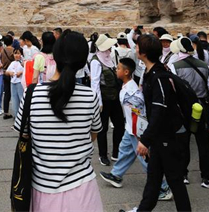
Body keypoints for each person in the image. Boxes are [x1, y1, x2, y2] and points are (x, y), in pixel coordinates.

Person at [13, 31, 103, 212]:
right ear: (82, 61)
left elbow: (24, 135)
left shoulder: (31, 94)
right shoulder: (89, 96)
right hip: (83, 188)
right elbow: (93, 134)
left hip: (42, 189)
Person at [99, 57, 173, 202]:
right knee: (124, 150)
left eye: (118, 68)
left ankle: (163, 187)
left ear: (126, 72)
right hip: (130, 128)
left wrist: (141, 136)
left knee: (145, 159)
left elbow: (139, 114)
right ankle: (116, 175)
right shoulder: (128, 87)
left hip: (136, 129)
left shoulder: (132, 92)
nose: (116, 70)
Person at [133, 34, 192, 212]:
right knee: (153, 179)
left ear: (143, 53)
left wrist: (145, 139)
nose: (135, 49)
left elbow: (159, 110)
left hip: (169, 136)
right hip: (162, 137)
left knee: (174, 180)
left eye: (137, 47)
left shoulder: (159, 77)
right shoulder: (153, 71)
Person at [168, 37, 209, 188]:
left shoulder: (174, 66)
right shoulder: (205, 66)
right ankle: (207, 177)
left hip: (183, 108)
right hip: (201, 107)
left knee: (183, 141)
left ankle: (183, 174)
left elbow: (172, 88)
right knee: (203, 143)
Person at [91, 33, 123, 166]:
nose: (110, 49)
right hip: (104, 98)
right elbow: (95, 82)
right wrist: (98, 102)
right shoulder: (95, 61)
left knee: (120, 125)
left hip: (115, 97)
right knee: (102, 129)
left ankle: (116, 151)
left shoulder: (111, 57)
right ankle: (103, 155)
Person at [6, 48, 24, 118]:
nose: (16, 55)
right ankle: (16, 115)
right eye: (15, 53)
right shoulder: (12, 63)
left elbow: (27, 70)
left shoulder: (23, 63)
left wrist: (21, 72)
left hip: (20, 82)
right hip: (13, 82)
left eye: (18, 53)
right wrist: (10, 73)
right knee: (14, 99)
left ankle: (22, 115)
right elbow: (7, 72)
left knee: (21, 98)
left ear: (21, 54)